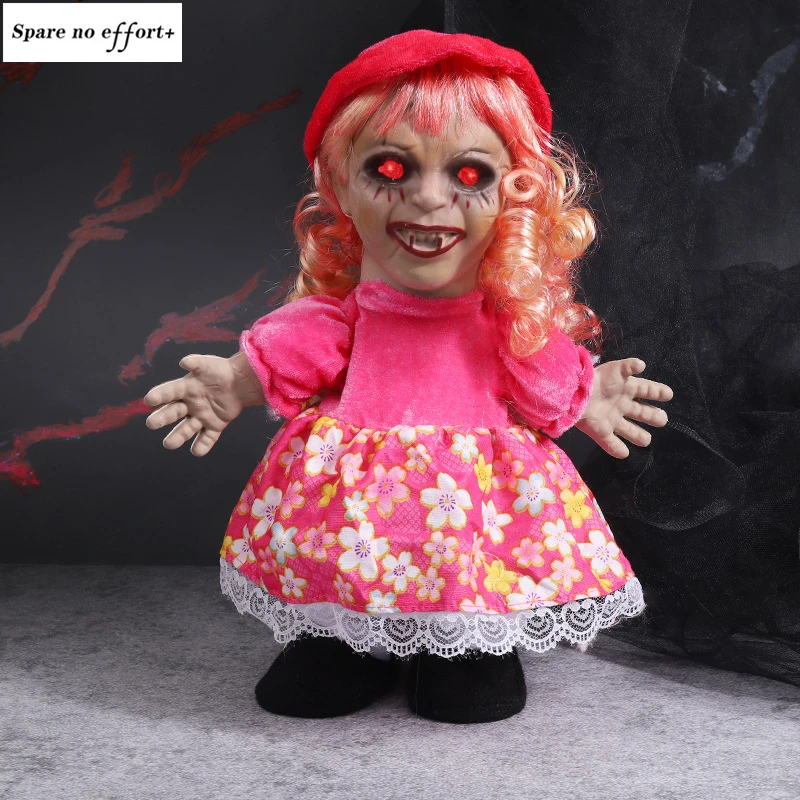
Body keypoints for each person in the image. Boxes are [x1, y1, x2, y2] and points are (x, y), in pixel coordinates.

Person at [144, 30, 673, 724]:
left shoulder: (508, 331)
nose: (428, 199)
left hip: (470, 538)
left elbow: (547, 387)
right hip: (353, 534)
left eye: (470, 175)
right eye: (390, 169)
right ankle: (342, 640)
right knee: (333, 606)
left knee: (468, 625)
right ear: (339, 183)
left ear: (517, 194)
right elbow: (292, 351)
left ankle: (467, 647)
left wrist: (586, 395)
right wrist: (233, 383)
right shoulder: (343, 322)